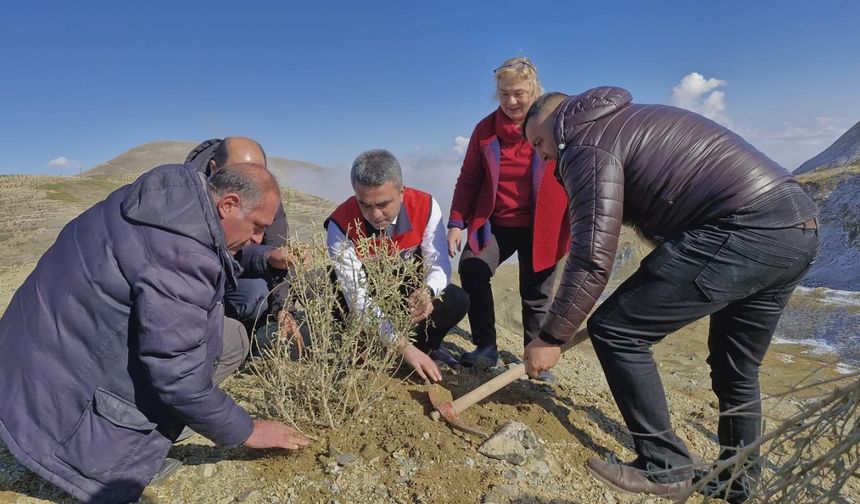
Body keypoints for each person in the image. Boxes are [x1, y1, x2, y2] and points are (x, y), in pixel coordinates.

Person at [522, 87, 819, 502]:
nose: (542, 156)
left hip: (743, 226)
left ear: (557, 119)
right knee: (736, 366)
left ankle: (665, 466)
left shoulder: (583, 141)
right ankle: (738, 479)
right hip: (797, 227)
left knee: (615, 329)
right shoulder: (620, 120)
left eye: (538, 142)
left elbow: (592, 254)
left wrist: (551, 336)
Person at [0, 162, 310, 503]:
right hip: (52, 410)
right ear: (229, 204)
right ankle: (101, 455)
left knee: (230, 335)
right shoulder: (182, 259)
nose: (258, 238)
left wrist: (264, 258)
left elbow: (208, 242)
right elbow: (178, 377)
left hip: (19, 368)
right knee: (206, 350)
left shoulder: (161, 203)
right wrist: (248, 430)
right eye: (256, 227)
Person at [447, 56, 569, 373]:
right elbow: (469, 179)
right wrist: (456, 223)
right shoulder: (486, 131)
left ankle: (536, 358)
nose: (511, 101)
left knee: (537, 293)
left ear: (534, 90)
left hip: (541, 225)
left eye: (519, 93)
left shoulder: (554, 126)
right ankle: (486, 346)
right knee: (472, 269)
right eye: (504, 94)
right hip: (496, 223)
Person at [326, 149, 469, 382]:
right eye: (365, 204)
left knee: (456, 299)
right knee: (331, 289)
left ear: (402, 192)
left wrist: (428, 291)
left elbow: (439, 263)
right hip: (365, 295)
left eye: (383, 204)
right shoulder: (340, 224)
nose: (375, 214)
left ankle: (425, 347)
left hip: (404, 289)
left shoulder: (426, 206)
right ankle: (361, 346)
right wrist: (401, 346)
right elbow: (356, 297)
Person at [185, 137, 302, 342]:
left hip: (235, 277)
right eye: (241, 174)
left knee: (256, 295)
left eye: (257, 173)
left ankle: (237, 335)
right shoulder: (186, 193)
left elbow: (272, 246)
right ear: (214, 168)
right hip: (190, 283)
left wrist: (282, 308)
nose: (251, 183)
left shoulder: (263, 194)